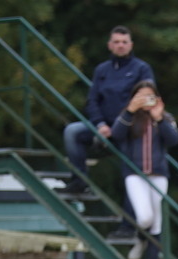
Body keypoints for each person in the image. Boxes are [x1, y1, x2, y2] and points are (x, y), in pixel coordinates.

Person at [60, 26, 154, 208]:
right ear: (109, 45)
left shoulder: (142, 69)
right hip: (103, 127)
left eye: (124, 42)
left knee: (131, 175)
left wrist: (121, 125)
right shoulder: (101, 70)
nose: (120, 46)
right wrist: (101, 124)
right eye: (117, 42)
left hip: (129, 130)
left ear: (131, 45)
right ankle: (79, 181)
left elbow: (147, 100)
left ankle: (129, 224)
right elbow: (92, 101)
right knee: (72, 131)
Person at [111, 80, 178, 259]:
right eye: (140, 96)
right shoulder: (129, 117)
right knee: (144, 218)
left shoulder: (165, 118)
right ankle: (140, 239)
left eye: (149, 96)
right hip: (134, 173)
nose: (145, 100)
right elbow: (116, 135)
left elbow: (174, 140)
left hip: (158, 174)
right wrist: (130, 110)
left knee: (157, 222)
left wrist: (159, 118)